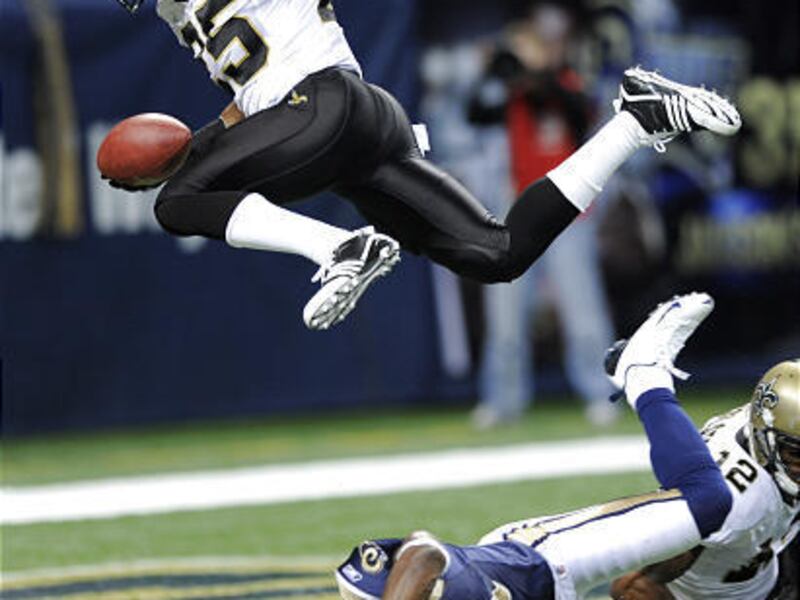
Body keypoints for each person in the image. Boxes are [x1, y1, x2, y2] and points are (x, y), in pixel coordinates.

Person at [110, 0, 740, 331]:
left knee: (178, 202)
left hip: (321, 107)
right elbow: (249, 102)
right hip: (355, 122)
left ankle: (339, 249)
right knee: (496, 254)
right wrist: (194, 149)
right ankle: (638, 118)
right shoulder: (176, 11)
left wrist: (192, 168)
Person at [335, 292, 736, 600]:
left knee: (707, 501)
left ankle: (643, 372)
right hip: (539, 583)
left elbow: (422, 551)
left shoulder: (436, 582)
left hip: (546, 558)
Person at [609, 359, 800, 600]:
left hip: (769, 562)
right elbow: (634, 586)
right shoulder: (734, 502)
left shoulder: (776, 420)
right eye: (797, 453)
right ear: (765, 440)